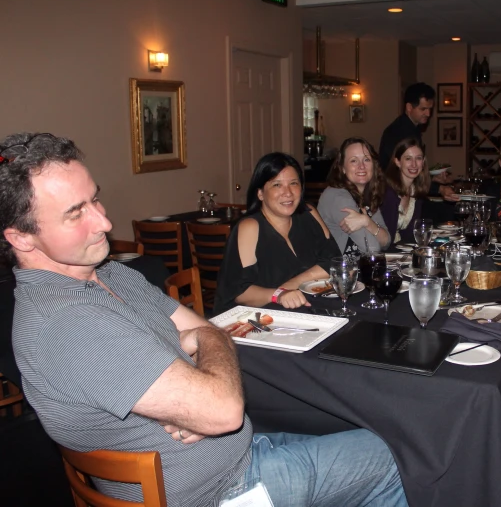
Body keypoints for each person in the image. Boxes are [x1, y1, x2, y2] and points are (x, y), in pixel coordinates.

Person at [2, 132, 407, 507]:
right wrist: (201, 360)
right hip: (218, 492)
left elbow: (208, 332)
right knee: (400, 455)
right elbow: (223, 401)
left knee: (371, 430)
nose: (105, 222)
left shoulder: (111, 275)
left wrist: (197, 369)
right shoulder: (66, 323)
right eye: (76, 213)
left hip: (242, 452)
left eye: (96, 200)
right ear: (20, 237)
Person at [213, 152, 341, 314]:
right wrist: (278, 295)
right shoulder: (250, 227)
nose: (288, 193)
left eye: (293, 183)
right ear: (260, 193)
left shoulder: (308, 213)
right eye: (277, 185)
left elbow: (334, 263)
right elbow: (239, 292)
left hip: (307, 311)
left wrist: (290, 285)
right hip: (256, 320)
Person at [378, 83, 458, 200]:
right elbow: (401, 172)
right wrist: (439, 188)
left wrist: (431, 178)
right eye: (423, 109)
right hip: (395, 196)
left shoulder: (411, 129)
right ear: (409, 107)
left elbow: (412, 170)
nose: (428, 114)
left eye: (430, 109)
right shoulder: (399, 132)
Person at [317, 137, 392, 254]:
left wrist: (367, 221)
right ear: (342, 168)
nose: (361, 166)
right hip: (337, 270)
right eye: (353, 160)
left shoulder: (367, 194)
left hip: (359, 268)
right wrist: (374, 228)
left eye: (366, 160)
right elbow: (373, 248)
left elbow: (386, 241)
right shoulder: (337, 196)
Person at [380, 138, 430, 244]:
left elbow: (409, 235)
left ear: (423, 162)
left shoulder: (415, 191)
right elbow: (386, 238)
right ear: (397, 161)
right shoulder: (389, 193)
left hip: (400, 251)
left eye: (418, 158)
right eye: (408, 158)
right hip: (383, 252)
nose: (414, 164)